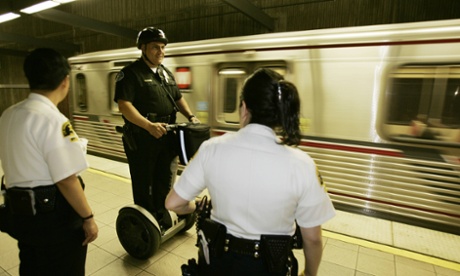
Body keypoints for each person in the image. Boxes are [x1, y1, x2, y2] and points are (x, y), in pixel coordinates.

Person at [165, 68, 336, 276]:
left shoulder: (212, 148)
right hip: (270, 267)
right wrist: (309, 274)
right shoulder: (303, 164)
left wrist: (194, 206)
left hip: (218, 266)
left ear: (244, 108)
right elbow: (313, 238)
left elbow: (173, 203)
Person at [0, 48, 98, 275]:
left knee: (32, 267)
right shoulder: (54, 120)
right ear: (65, 81)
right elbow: (66, 179)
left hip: (21, 217)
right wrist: (88, 218)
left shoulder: (8, 115)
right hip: (54, 221)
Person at [114, 27, 199, 228]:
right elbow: (124, 105)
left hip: (166, 134)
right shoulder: (130, 73)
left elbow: (178, 98)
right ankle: (148, 220)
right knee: (145, 181)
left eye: (162, 47)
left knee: (166, 178)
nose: (160, 51)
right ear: (143, 48)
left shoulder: (166, 73)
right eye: (155, 47)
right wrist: (149, 126)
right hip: (143, 136)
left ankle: (163, 213)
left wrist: (191, 116)